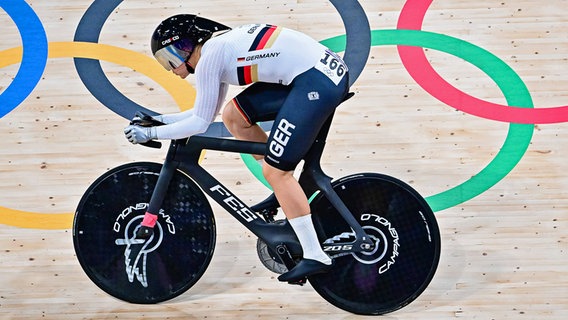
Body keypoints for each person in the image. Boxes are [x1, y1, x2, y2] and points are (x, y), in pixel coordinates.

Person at [124, 14, 349, 282]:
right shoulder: (214, 50)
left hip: (317, 81)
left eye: (171, 57)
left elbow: (199, 123)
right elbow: (205, 112)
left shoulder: (210, 57)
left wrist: (150, 133)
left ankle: (315, 254)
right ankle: (284, 191)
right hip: (317, 72)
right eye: (164, 62)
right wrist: (159, 119)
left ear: (187, 45)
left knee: (278, 172)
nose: (171, 68)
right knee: (234, 116)